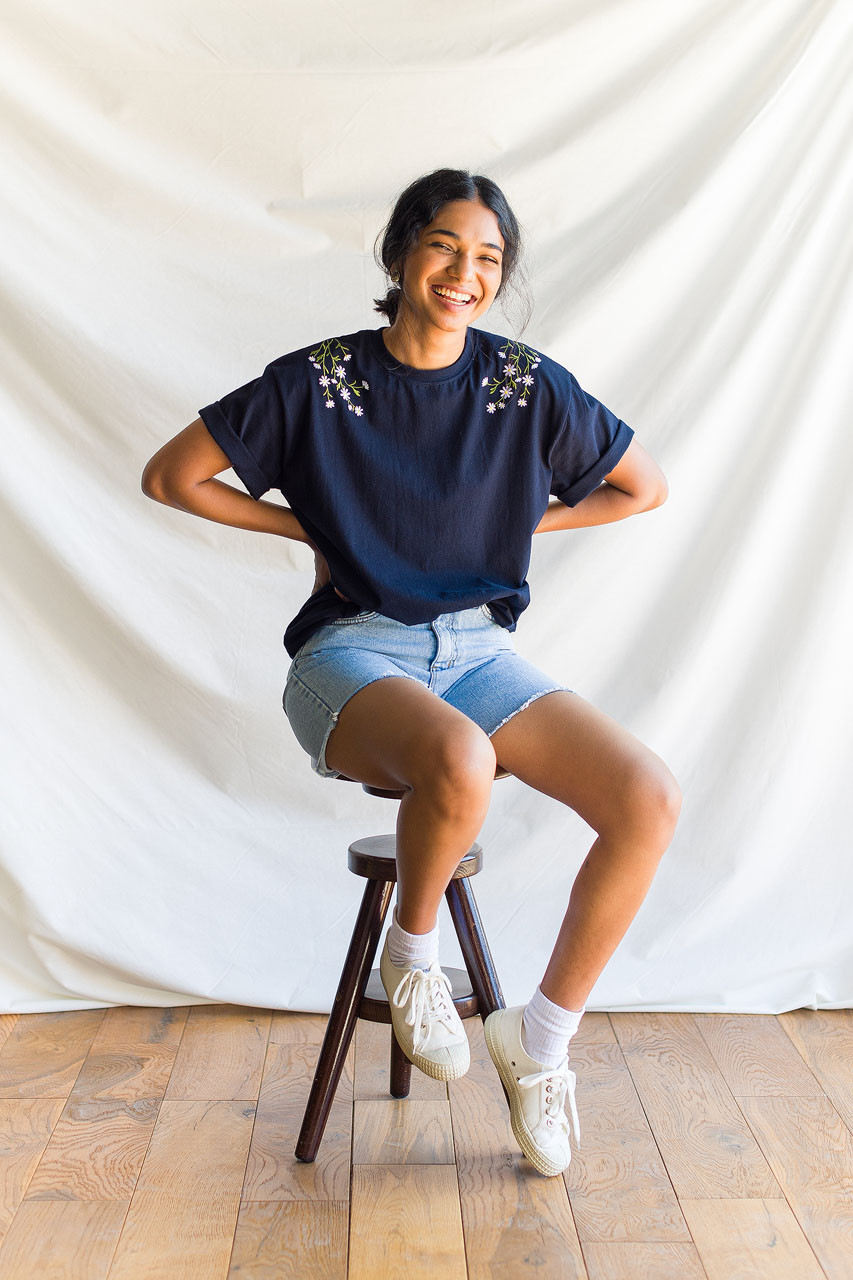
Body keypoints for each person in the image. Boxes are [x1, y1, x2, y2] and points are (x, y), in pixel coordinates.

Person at [141, 167, 682, 1178]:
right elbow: (172, 476)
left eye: (487, 257)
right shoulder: (317, 381)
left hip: (478, 652)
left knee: (647, 797)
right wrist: (308, 528)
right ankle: (413, 955)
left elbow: (639, 486)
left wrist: (514, 524)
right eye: (443, 246)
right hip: (351, 652)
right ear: (400, 254)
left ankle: (541, 1041)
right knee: (459, 759)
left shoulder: (524, 384)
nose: (464, 272)